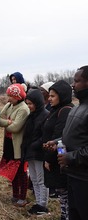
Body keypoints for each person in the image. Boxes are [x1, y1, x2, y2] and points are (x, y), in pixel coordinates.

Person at [46, 66, 88, 220]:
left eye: (77, 81)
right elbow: (71, 136)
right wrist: (57, 142)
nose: (73, 84)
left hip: (84, 179)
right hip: (72, 175)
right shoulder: (78, 108)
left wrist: (70, 157)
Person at [42, 80, 73, 220]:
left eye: (53, 96)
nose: (49, 98)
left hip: (59, 159)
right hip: (54, 157)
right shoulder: (54, 110)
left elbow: (59, 137)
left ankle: (66, 216)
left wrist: (48, 159)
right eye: (49, 95)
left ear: (62, 95)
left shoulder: (65, 111)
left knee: (65, 192)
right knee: (62, 193)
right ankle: (64, 214)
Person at [0, 83, 30, 207]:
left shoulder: (23, 109)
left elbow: (16, 127)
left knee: (21, 172)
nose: (8, 98)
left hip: (18, 146)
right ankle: (15, 195)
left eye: (10, 96)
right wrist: (7, 122)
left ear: (17, 96)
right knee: (13, 172)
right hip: (8, 143)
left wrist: (6, 124)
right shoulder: (9, 105)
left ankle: (22, 197)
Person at [21, 89, 49, 215]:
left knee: (41, 179)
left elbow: (45, 136)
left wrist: (34, 145)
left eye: (30, 103)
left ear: (37, 102)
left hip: (39, 153)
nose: (28, 106)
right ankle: (38, 203)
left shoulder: (45, 115)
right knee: (34, 179)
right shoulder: (31, 116)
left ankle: (43, 205)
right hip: (30, 152)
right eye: (27, 103)